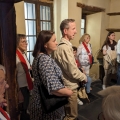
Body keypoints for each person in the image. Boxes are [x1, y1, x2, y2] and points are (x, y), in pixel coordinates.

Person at [29, 31, 73, 120]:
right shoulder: (45, 60)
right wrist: (69, 92)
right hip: (45, 105)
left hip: (40, 101)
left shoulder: (40, 57)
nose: (56, 43)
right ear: (45, 44)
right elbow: (54, 89)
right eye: (54, 40)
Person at [52, 19, 87, 120]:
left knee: (69, 113)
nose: (76, 31)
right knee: (71, 115)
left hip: (67, 83)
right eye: (73, 28)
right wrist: (84, 77)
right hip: (69, 85)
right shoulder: (64, 48)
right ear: (65, 31)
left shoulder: (66, 46)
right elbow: (72, 71)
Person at [16, 34, 33, 120]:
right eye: (23, 42)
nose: (26, 43)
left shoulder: (23, 54)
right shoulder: (16, 56)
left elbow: (27, 67)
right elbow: (14, 76)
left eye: (26, 41)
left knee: (27, 107)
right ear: (17, 43)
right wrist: (18, 91)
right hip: (21, 86)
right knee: (24, 109)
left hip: (26, 84)